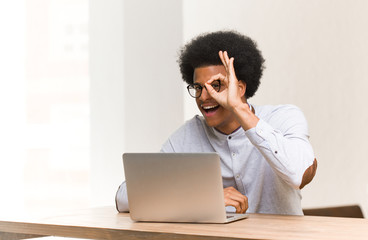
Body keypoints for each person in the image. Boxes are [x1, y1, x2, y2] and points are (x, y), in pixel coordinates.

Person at [115, 30, 317, 215]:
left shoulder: (283, 118)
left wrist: (238, 109)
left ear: (240, 88)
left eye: (216, 86)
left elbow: (298, 174)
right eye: (198, 87)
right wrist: (202, 198)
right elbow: (124, 197)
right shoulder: (187, 136)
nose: (204, 97)